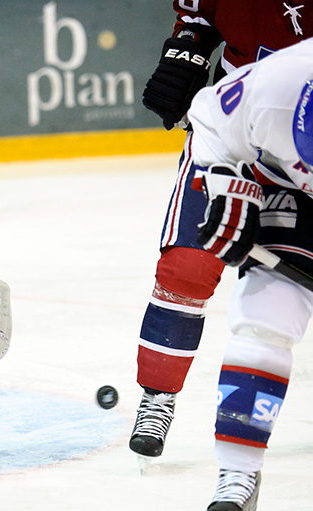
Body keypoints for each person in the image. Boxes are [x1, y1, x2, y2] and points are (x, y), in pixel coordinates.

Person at [131, 0, 313, 463]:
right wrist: (187, 47)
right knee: (187, 265)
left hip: (305, 127)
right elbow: (198, 16)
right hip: (233, 120)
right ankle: (157, 398)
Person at [185, 37, 313, 511]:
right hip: (285, 183)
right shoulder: (277, 87)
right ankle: (237, 471)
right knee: (264, 320)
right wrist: (227, 187)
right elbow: (209, 117)